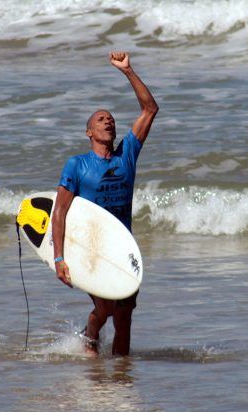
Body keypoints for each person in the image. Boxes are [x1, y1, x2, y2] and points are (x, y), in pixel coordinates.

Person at [51, 52, 158, 356]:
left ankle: (121, 378)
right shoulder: (77, 165)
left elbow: (150, 109)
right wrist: (59, 258)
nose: (108, 120)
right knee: (107, 309)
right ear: (89, 132)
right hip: (91, 247)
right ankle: (91, 332)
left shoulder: (127, 155)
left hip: (122, 246)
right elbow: (59, 211)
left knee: (124, 318)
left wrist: (128, 71)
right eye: (100, 119)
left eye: (110, 118)